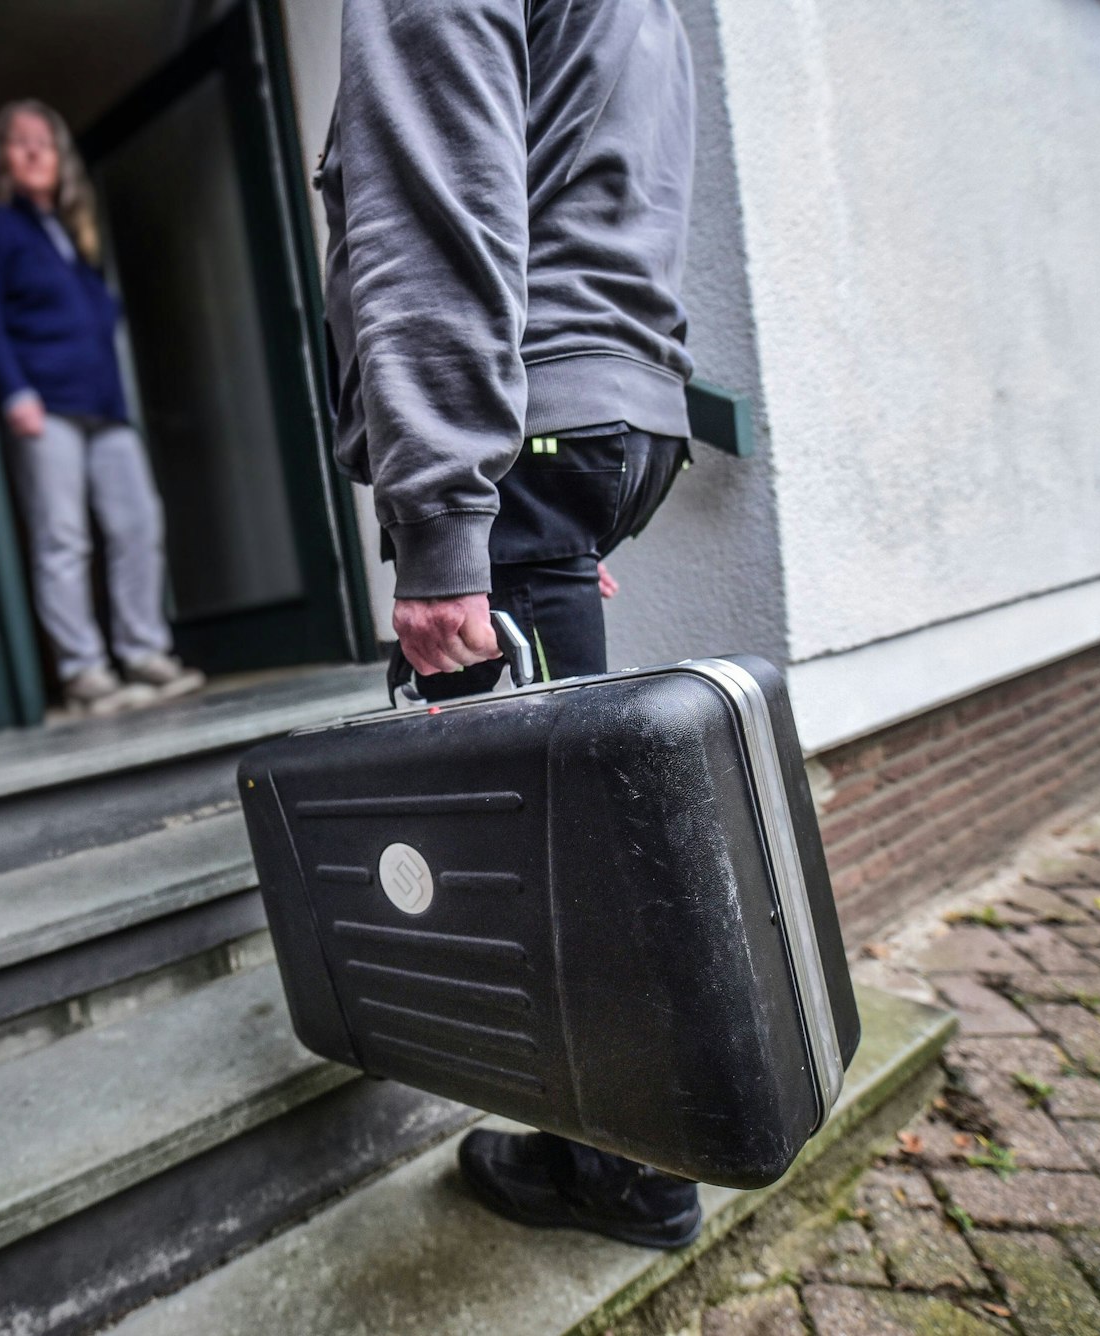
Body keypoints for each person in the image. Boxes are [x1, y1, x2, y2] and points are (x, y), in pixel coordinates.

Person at [320, 0, 702, 1246]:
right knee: (579, 822)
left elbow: (436, 196)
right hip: (602, 415)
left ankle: (631, 1168)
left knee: (543, 855)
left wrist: (440, 527)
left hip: (522, 421)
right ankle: (628, 1144)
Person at [0, 99, 204, 716]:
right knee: (63, 538)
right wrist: (14, 391)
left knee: (138, 524)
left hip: (104, 407)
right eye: (20, 141)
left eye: (46, 140)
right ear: (3, 158)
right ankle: (83, 671)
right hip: (44, 407)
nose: (35, 150)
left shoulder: (72, 236)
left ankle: (145, 652)